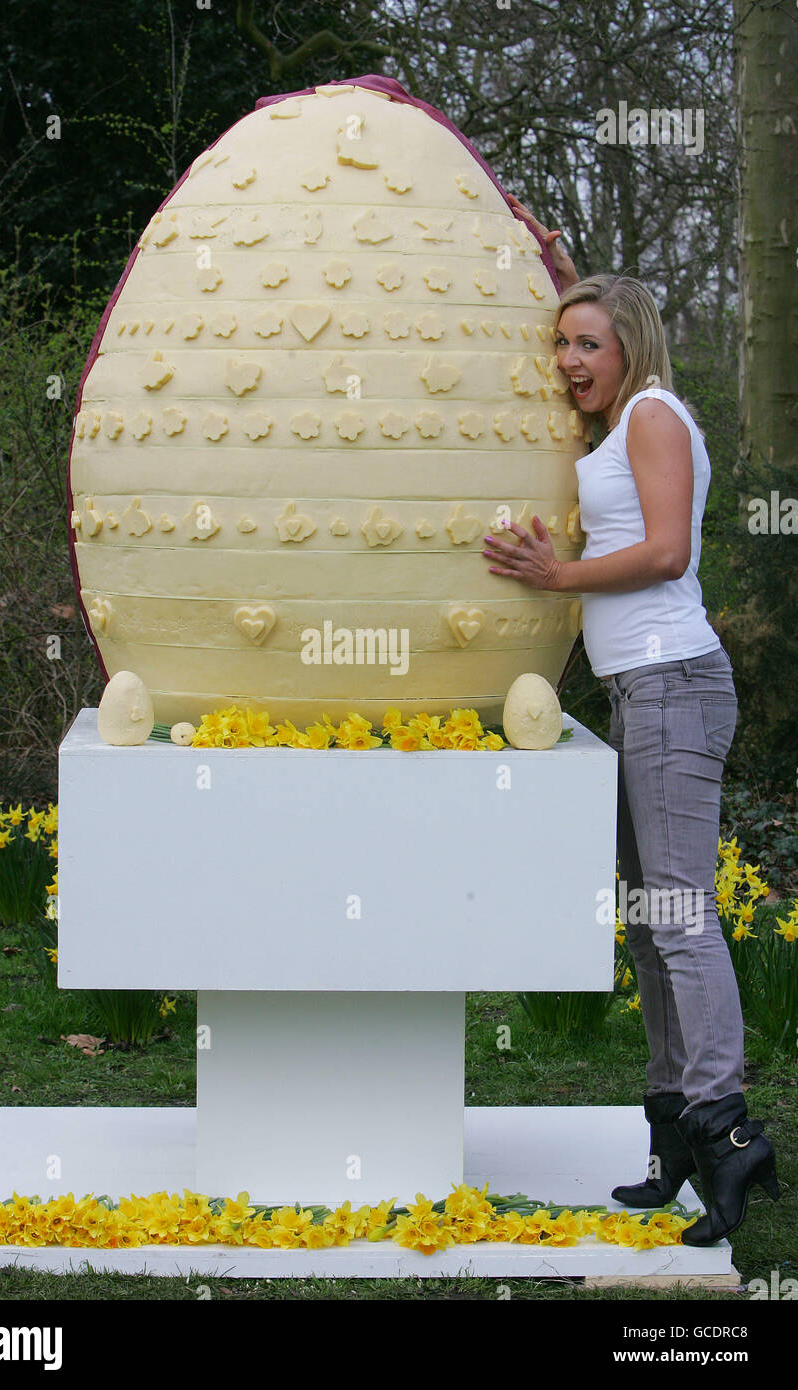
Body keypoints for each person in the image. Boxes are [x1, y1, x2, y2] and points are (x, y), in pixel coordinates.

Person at [482, 201, 780, 1246]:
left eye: (584, 343)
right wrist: (543, 253)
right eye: (558, 342)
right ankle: (675, 1134)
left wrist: (555, 573)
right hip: (637, 691)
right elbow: (604, 312)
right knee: (652, 925)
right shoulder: (620, 419)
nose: (565, 358)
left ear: (628, 348)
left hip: (672, 682)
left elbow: (663, 554)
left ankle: (729, 1129)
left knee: (681, 916)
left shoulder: (653, 415)